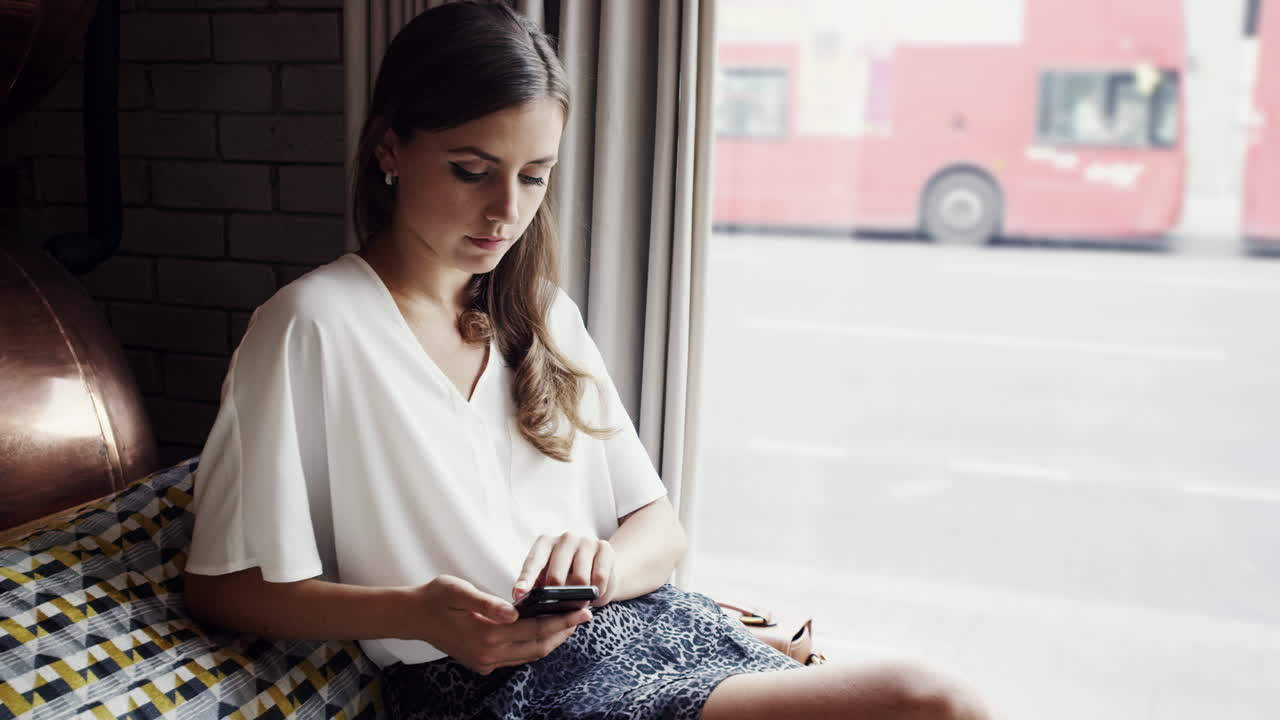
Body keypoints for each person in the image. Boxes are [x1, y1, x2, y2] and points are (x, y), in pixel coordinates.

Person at [182, 2, 991, 718]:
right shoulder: (311, 326)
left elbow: (659, 527)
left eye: (535, 176)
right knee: (930, 702)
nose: (507, 210)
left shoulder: (540, 315)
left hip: (644, 631)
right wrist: (415, 611)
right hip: (498, 691)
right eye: (472, 171)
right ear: (390, 150)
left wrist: (600, 567)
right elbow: (222, 586)